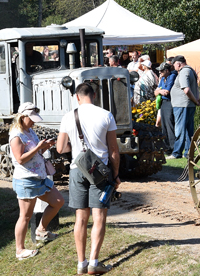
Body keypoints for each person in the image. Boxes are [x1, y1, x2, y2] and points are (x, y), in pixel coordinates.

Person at [56, 83, 121, 275]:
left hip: (78, 170)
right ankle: (94, 262)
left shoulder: (68, 116)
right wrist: (115, 174)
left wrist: (76, 150)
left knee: (80, 218)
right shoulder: (106, 115)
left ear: (77, 97)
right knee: (99, 216)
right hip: (100, 172)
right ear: (94, 95)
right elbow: (114, 151)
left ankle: (81, 263)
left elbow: (61, 148)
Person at [10, 102, 64, 260]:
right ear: (22, 117)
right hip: (26, 180)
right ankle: (19, 250)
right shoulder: (16, 135)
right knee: (25, 216)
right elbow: (20, 159)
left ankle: (41, 230)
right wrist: (37, 148)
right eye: (31, 118)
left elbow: (34, 152)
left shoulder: (29, 131)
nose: (34, 121)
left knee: (58, 201)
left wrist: (44, 147)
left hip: (39, 177)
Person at [170, 55, 200, 159]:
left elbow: (186, 90)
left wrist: (194, 100)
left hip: (182, 105)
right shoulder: (190, 71)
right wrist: (196, 99)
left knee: (180, 129)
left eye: (174, 65)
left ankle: (177, 153)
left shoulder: (183, 72)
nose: (174, 67)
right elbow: (196, 87)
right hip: (187, 105)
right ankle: (188, 152)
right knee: (188, 130)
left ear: (178, 64)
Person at [153, 61, 177, 155]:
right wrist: (159, 91)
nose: (160, 72)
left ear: (167, 70)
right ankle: (166, 147)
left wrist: (160, 91)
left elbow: (166, 92)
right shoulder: (163, 79)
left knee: (169, 124)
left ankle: (172, 147)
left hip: (169, 102)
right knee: (164, 126)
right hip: (163, 103)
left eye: (161, 71)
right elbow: (156, 92)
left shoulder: (171, 77)